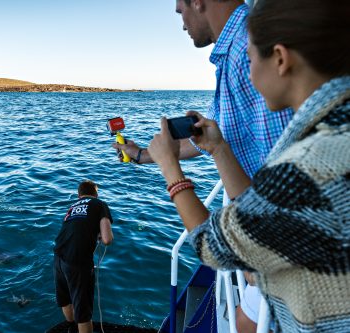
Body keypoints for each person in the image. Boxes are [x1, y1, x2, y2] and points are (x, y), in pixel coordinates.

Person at [147, 0, 350, 331]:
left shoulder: (306, 169)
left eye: (252, 57)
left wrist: (170, 168)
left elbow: (210, 246)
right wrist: (219, 147)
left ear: (281, 60)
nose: (249, 72)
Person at [114, 0, 292, 330]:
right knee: (241, 321)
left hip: (279, 248)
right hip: (266, 232)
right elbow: (211, 140)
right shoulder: (236, 51)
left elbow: (210, 248)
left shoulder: (251, 47)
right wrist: (142, 154)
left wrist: (259, 251)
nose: (178, 15)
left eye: (180, 6)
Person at [53, 180, 114, 333]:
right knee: (84, 313)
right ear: (96, 194)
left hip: (59, 256)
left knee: (66, 299)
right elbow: (107, 239)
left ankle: (71, 327)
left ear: (79, 195)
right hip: (78, 261)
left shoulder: (72, 206)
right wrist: (101, 235)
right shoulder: (99, 204)